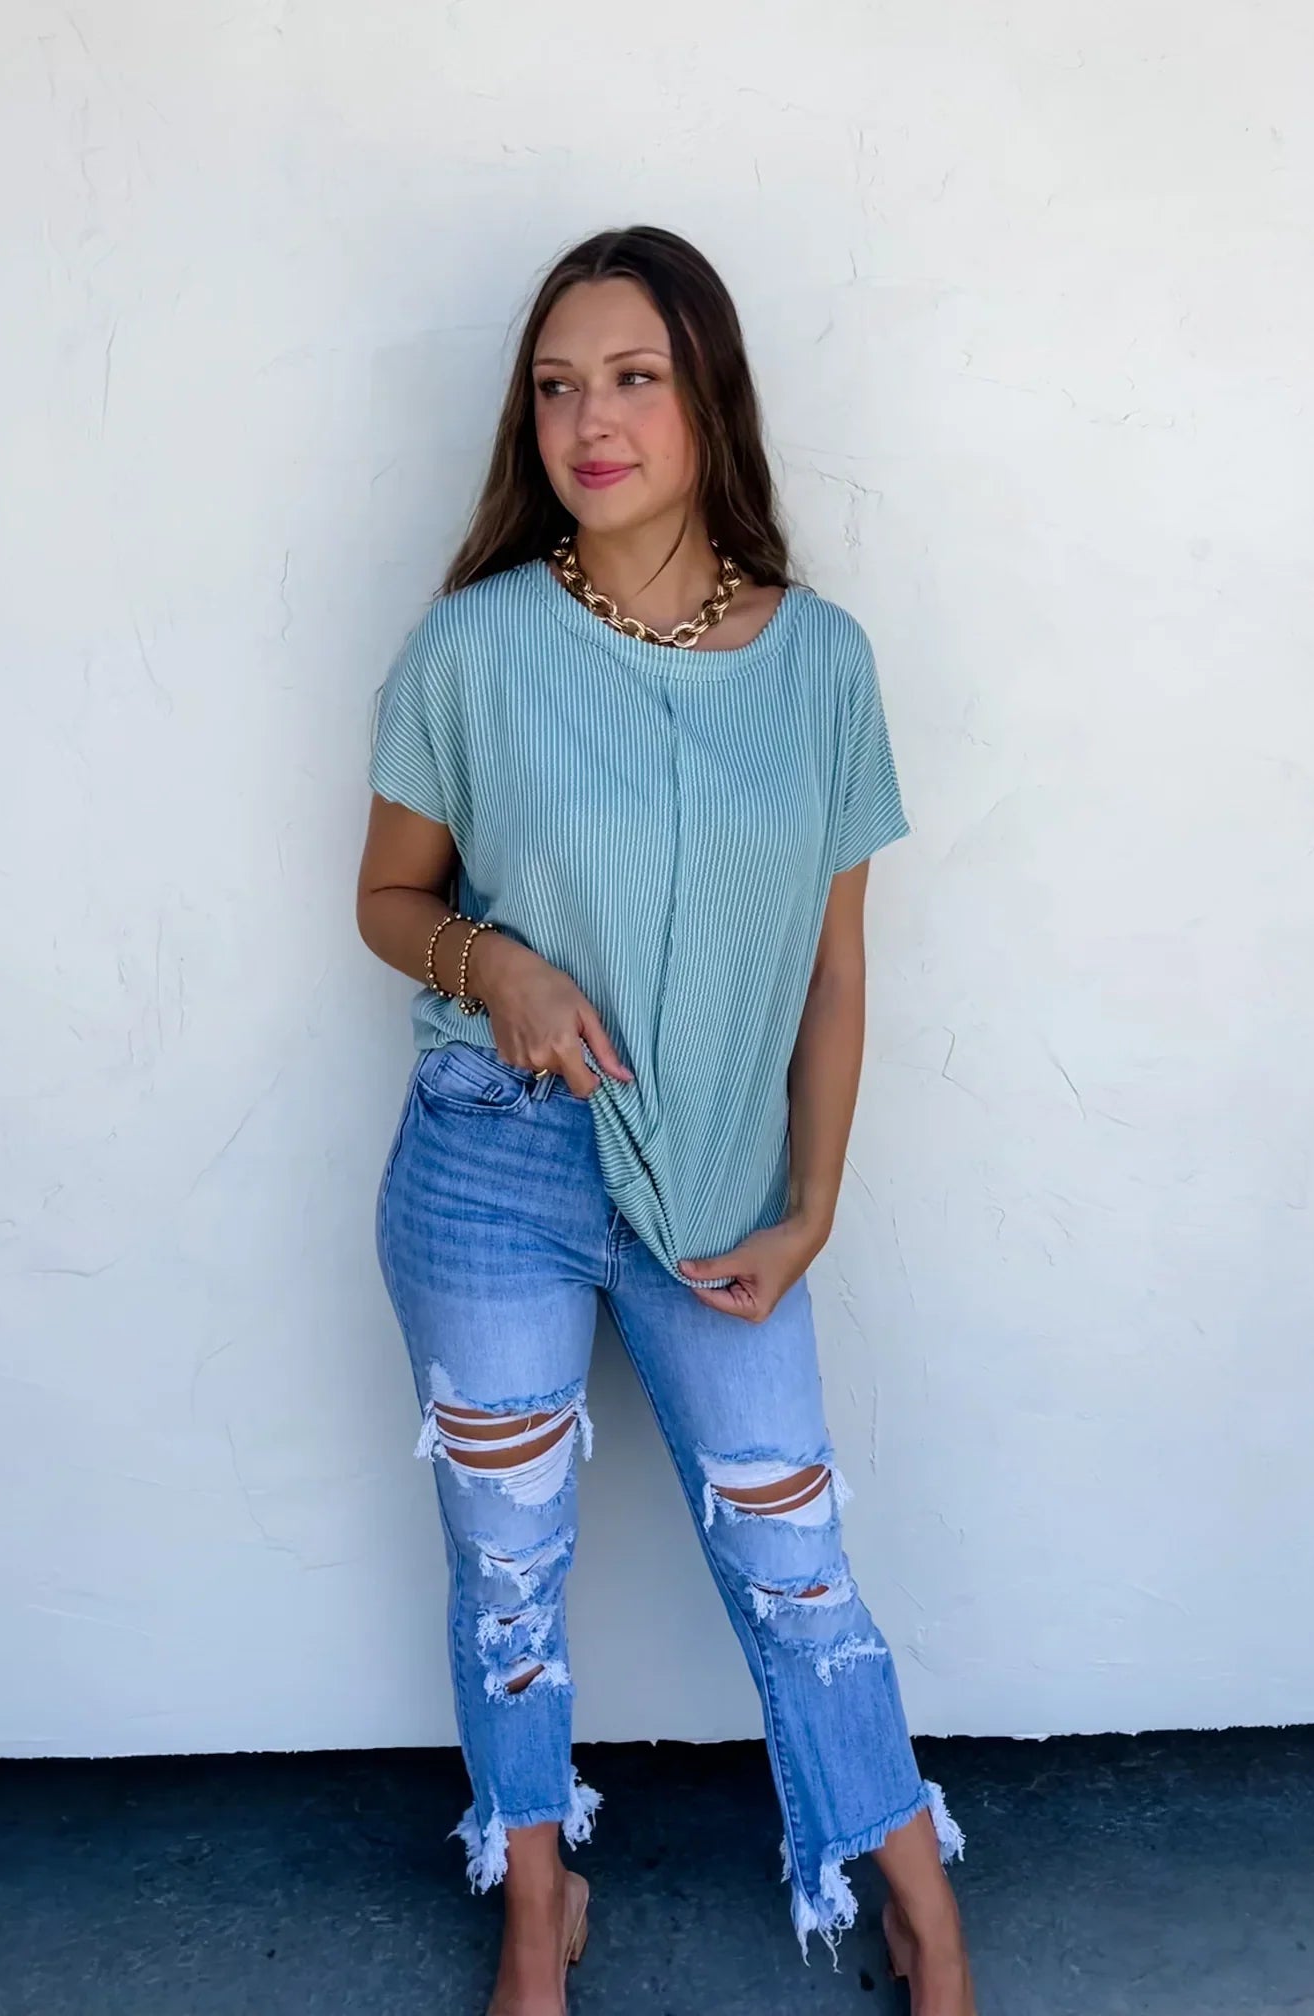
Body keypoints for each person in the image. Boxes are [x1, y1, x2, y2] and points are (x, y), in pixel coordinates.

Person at [356, 225, 975, 2016]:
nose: (591, 422)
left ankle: (919, 1911)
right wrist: (499, 968)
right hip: (492, 1158)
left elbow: (836, 973)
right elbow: (387, 900)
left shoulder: (823, 662)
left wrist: (815, 1204)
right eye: (558, 387)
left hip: (718, 1185)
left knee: (794, 1560)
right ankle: (535, 1911)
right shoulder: (474, 646)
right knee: (508, 1576)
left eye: (633, 378)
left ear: (710, 397)